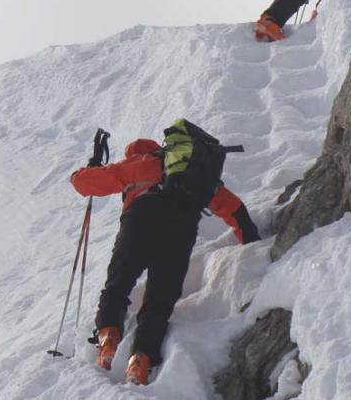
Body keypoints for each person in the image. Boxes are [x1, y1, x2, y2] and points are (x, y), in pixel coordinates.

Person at [70, 137, 260, 385]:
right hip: (180, 231)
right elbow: (233, 208)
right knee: (159, 302)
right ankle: (141, 359)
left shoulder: (139, 165)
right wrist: (252, 240)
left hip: (139, 221)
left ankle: (108, 338)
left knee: (118, 286)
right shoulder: (191, 176)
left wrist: (87, 169)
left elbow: (83, 183)